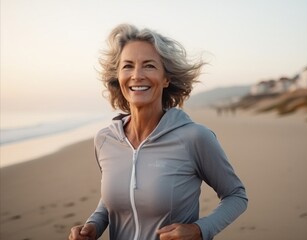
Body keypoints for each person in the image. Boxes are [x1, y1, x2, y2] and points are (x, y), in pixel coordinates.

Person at [68, 23, 248, 240]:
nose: (137, 75)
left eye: (149, 66)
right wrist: (94, 225)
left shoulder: (194, 137)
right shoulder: (105, 140)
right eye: (128, 66)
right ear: (118, 76)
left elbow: (236, 195)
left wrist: (200, 230)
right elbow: (113, 199)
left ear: (166, 78)